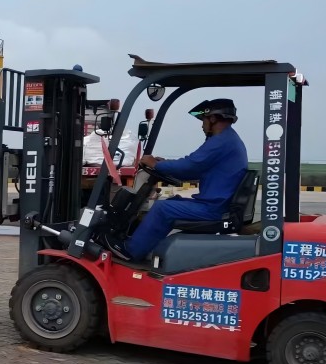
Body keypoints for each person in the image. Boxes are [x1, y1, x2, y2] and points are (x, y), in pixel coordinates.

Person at [101, 99, 248, 262]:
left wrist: (156, 164)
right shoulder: (228, 140)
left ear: (213, 118)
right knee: (172, 201)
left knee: (162, 209)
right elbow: (194, 167)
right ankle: (143, 246)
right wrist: (165, 164)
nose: (202, 125)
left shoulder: (220, 142)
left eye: (203, 120)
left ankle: (131, 251)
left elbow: (189, 166)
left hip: (213, 208)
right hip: (216, 204)